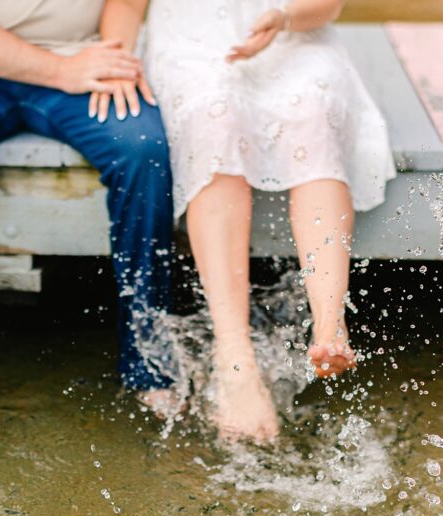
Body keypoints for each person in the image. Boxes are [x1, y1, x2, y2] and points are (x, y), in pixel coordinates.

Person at [97, 0, 395, 442]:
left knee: (313, 107)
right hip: (189, 46)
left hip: (292, 36)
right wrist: (115, 58)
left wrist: (286, 17)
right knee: (216, 114)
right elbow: (124, 3)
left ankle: (330, 322)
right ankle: (234, 355)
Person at [0, 0, 176, 420]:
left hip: (81, 56)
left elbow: (127, 2)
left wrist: (112, 56)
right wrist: (60, 71)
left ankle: (149, 367)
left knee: (144, 153)